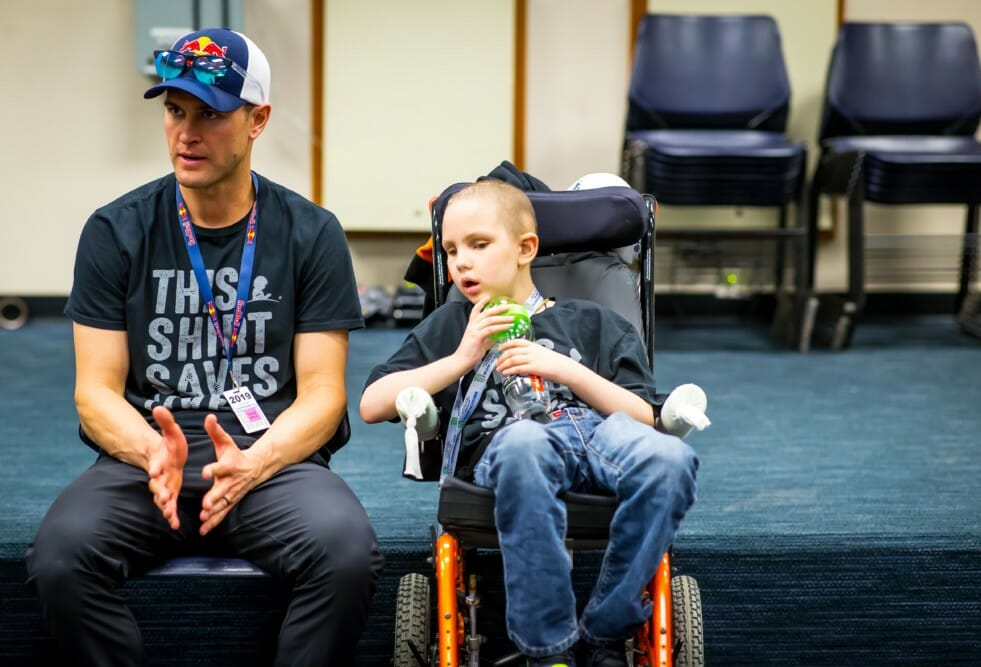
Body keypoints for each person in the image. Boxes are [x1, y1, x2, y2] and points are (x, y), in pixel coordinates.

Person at [26, 28, 383, 666]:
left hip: (270, 456)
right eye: (174, 111)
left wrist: (258, 460)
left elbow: (324, 394)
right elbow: (95, 391)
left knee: (345, 551)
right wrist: (149, 452)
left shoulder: (310, 232)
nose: (186, 133)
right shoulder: (116, 229)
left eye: (211, 114)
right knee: (60, 556)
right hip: (146, 459)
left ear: (257, 120)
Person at [359, 180, 700, 667]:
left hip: (599, 431)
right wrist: (462, 356)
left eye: (479, 245)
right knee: (525, 443)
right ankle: (550, 649)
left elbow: (644, 416)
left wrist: (564, 368)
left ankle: (606, 628)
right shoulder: (453, 325)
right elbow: (372, 403)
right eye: (452, 250)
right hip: (512, 443)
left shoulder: (594, 322)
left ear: (526, 249)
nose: (462, 262)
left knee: (671, 458)